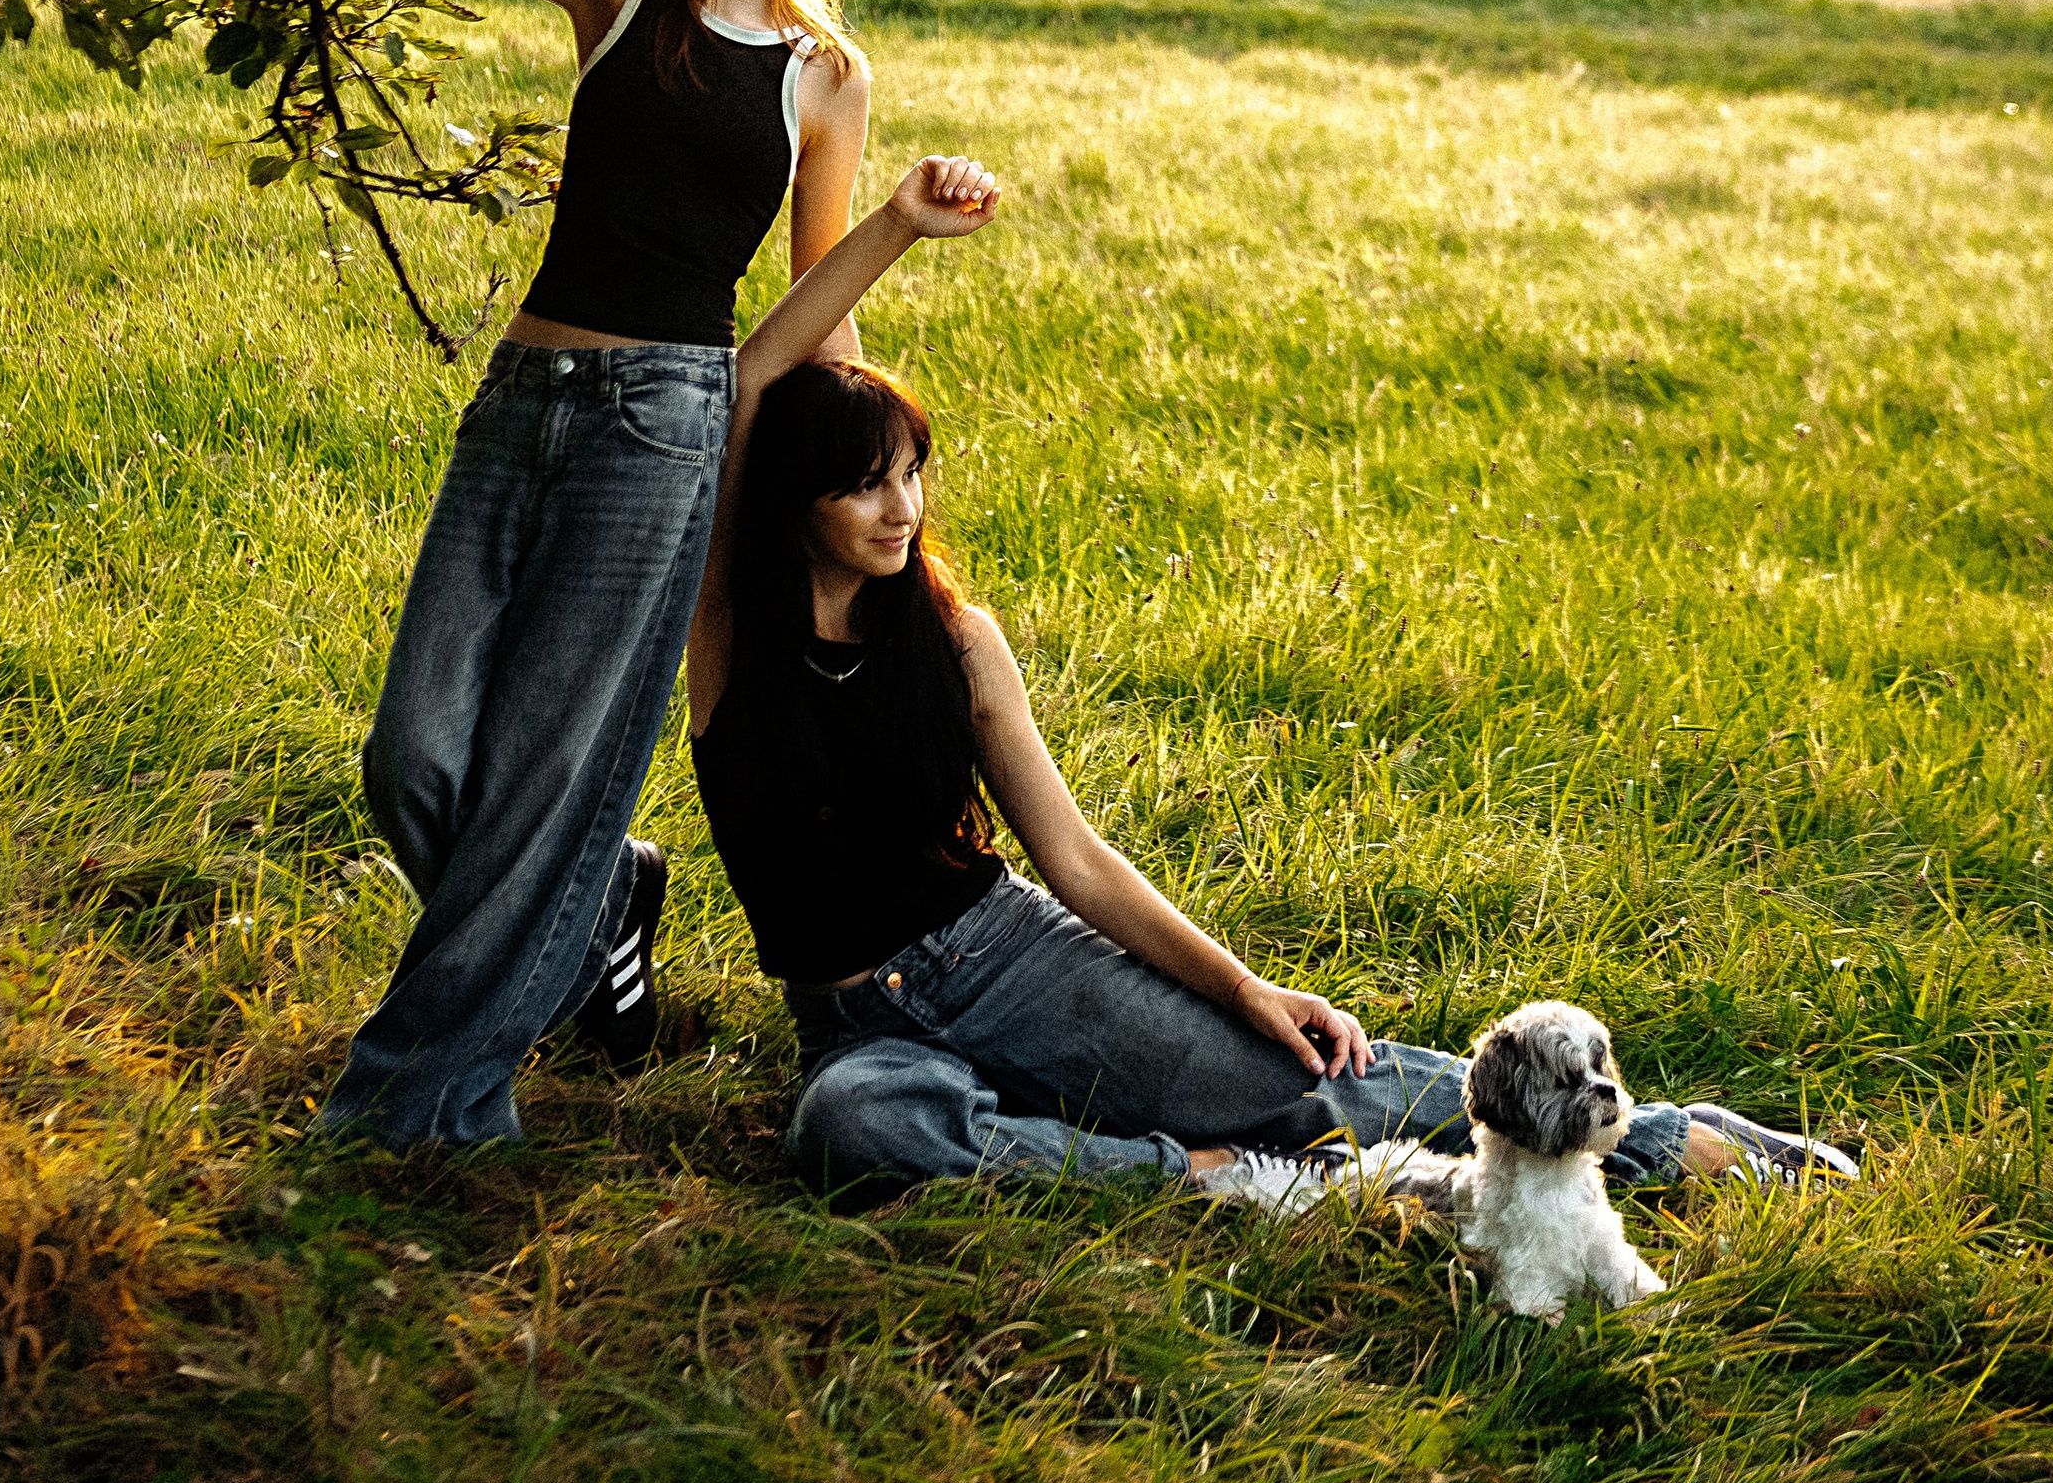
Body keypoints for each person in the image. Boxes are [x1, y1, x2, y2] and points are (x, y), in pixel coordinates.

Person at [689, 362, 1858, 1208]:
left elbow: (1076, 860)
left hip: (1005, 963)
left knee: (1316, 1094)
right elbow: (744, 394)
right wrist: (894, 219)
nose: (904, 510)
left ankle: (1663, 1140)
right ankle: (1202, 1175)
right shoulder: (725, 636)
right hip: (849, 1021)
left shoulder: (950, 637)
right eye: (866, 486)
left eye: (913, 476)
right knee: (850, 1130)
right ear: (795, 498)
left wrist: (1245, 988)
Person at [273, 0, 925, 1149]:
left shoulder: (823, 74)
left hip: (664, 430)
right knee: (416, 756)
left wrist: (858, 467)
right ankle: (595, 904)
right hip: (521, 400)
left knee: (544, 780)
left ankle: (417, 1111)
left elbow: (814, 306)